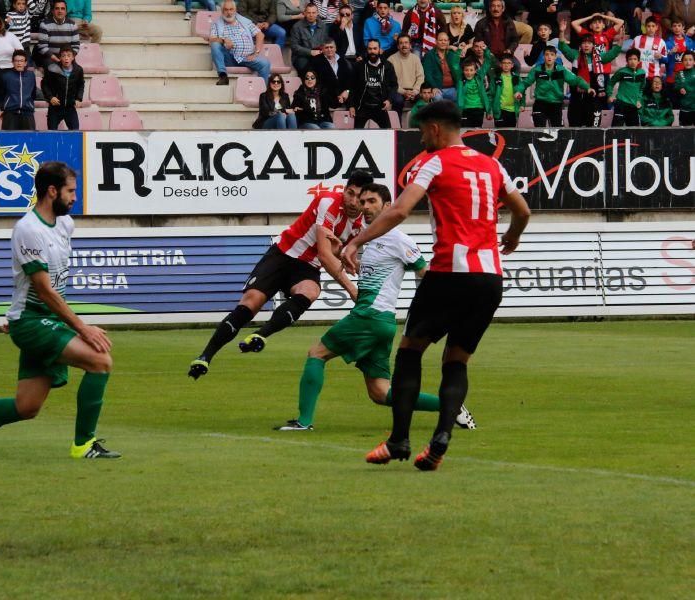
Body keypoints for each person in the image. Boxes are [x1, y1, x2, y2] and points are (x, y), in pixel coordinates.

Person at [342, 100, 531, 471]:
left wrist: (356, 241)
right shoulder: (492, 165)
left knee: (410, 351)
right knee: (456, 361)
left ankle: (398, 440)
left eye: (420, 132)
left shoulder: (436, 162)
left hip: (448, 273)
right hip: (490, 278)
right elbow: (522, 210)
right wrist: (512, 235)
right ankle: (441, 438)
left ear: (434, 129)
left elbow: (397, 210)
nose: (420, 139)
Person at [0, 162, 122, 460]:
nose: (75, 198)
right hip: (34, 322)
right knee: (100, 361)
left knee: (27, 406)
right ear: (52, 191)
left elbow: (44, 286)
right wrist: (82, 327)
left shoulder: (64, 224)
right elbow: (44, 290)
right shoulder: (28, 230)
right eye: (71, 191)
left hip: (39, 318)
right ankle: (84, 444)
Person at [275, 183, 477, 432]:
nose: (365, 207)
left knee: (316, 354)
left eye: (372, 202)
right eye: (363, 203)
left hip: (370, 316)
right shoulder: (370, 238)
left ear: (388, 206)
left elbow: (425, 272)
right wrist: (341, 254)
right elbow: (372, 274)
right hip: (381, 321)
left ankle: (303, 422)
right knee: (380, 393)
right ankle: (452, 405)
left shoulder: (398, 238)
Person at [188, 170, 375, 380]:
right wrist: (352, 289)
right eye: (349, 193)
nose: (352, 201)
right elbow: (324, 254)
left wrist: (351, 262)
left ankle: (260, 335)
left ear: (366, 199)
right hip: (283, 254)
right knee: (251, 303)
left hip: (306, 266)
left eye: (358, 197)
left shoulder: (362, 225)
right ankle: (205, 357)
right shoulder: (328, 202)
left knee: (311, 291)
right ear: (344, 189)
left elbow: (337, 252)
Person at [515, 46, 594, 127]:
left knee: (557, 132)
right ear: (543, 56)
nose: (549, 57)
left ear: (555, 57)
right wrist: (519, 91)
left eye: (552, 55)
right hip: (540, 104)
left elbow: (576, 79)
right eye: (547, 54)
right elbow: (525, 83)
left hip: (556, 105)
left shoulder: (562, 70)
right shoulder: (536, 70)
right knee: (539, 132)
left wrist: (587, 87)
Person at [559, 30, 621, 127]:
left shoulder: (600, 56)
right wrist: (562, 32)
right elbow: (563, 46)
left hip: (593, 97)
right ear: (580, 45)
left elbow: (612, 54)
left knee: (593, 130)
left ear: (593, 45)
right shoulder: (575, 55)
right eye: (584, 43)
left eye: (589, 43)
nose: (586, 45)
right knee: (574, 128)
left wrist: (620, 42)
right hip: (576, 98)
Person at [210, 0, 272, 85]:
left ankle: (262, 92)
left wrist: (256, 53)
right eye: (226, 9)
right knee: (215, 45)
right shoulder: (217, 24)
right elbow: (212, 39)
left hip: (247, 58)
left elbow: (260, 35)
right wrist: (223, 40)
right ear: (222, 11)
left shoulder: (245, 22)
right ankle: (223, 75)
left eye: (231, 9)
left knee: (265, 63)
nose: (229, 12)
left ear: (235, 10)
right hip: (230, 58)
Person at [349, 38, 396, 128]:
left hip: (380, 107)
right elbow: (351, 87)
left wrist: (389, 100)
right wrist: (351, 106)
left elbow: (394, 85)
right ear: (367, 50)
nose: (372, 51)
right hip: (362, 107)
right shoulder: (359, 66)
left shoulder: (387, 66)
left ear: (379, 50)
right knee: (357, 135)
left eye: (375, 48)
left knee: (387, 133)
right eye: (370, 49)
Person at [41, 45, 85, 130]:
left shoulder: (78, 70)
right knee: (52, 133)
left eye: (69, 55)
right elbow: (44, 84)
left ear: (73, 57)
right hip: (55, 107)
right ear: (60, 57)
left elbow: (81, 84)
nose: (66, 58)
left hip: (70, 107)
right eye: (63, 55)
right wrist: (50, 97)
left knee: (75, 132)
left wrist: (79, 98)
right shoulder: (52, 68)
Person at [607, 48, 647, 126]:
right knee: (616, 130)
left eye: (635, 59)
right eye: (630, 59)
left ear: (638, 61)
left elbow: (641, 89)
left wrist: (638, 100)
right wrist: (610, 95)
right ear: (627, 61)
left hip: (633, 106)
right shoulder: (622, 72)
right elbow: (611, 83)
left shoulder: (642, 73)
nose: (632, 61)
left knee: (633, 132)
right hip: (620, 104)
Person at [0, 49, 37, 130]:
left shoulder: (31, 76)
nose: (19, 63)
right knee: (9, 141)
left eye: (21, 61)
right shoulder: (6, 76)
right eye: (16, 61)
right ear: (12, 62)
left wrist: (29, 104)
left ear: (25, 63)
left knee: (28, 140)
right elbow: (2, 94)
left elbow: (33, 93)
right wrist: (5, 107)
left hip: (27, 113)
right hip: (10, 114)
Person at [36, 0, 81, 68]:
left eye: (62, 9)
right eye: (57, 8)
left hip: (67, 57)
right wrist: (58, 60)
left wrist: (68, 58)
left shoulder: (72, 25)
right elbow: (42, 47)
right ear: (52, 11)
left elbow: (76, 46)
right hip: (50, 57)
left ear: (66, 12)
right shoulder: (45, 24)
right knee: (54, 69)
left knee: (78, 70)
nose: (60, 11)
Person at [291, 2, 330, 75]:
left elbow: (325, 42)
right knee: (305, 68)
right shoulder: (297, 27)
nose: (311, 15)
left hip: (318, 55)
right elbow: (294, 46)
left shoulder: (323, 26)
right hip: (301, 56)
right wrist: (310, 52)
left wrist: (322, 51)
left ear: (317, 13)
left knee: (325, 67)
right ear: (305, 13)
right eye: (309, 13)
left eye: (313, 12)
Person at [312, 39, 352, 109]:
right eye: (326, 47)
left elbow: (349, 79)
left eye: (331, 47)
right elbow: (318, 82)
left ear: (335, 48)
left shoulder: (342, 60)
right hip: (327, 95)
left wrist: (347, 91)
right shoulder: (316, 61)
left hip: (344, 93)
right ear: (322, 49)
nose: (329, 49)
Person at [388, 33, 425, 109]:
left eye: (406, 43)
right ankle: (397, 121)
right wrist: (403, 92)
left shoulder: (416, 58)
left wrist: (415, 91)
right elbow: (390, 82)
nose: (404, 45)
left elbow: (420, 77)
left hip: (413, 90)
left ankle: (417, 121)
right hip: (398, 90)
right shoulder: (391, 60)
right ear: (398, 46)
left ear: (410, 45)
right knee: (398, 100)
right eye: (401, 43)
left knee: (422, 100)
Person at [422, 31, 459, 101]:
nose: (443, 42)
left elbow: (457, 72)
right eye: (440, 40)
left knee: (461, 96)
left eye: (445, 40)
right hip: (438, 88)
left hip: (452, 88)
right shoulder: (429, 55)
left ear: (448, 42)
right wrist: (433, 87)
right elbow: (428, 74)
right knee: (437, 98)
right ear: (436, 41)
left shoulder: (452, 54)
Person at [489, 52, 522, 127]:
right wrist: (489, 110)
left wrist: (522, 104)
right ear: (500, 65)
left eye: (509, 63)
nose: (506, 65)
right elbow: (491, 95)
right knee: (500, 135)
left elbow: (522, 91)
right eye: (504, 63)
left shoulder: (517, 78)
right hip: (500, 110)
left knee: (511, 135)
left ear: (512, 65)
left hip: (513, 111)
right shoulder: (495, 79)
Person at [456, 58, 490, 127]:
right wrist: (459, 51)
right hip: (465, 109)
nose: (469, 73)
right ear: (463, 71)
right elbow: (454, 65)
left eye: (471, 70)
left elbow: (487, 64)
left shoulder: (479, 78)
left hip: (479, 109)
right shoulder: (461, 80)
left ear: (475, 71)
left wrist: (486, 50)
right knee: (465, 131)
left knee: (477, 132)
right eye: (466, 70)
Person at [665, 19, 695, 94]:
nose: (677, 28)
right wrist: (671, 52)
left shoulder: (690, 42)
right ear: (671, 28)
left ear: (683, 27)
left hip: (686, 77)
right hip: (672, 77)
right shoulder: (667, 43)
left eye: (679, 26)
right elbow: (664, 60)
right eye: (674, 26)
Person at [676, 51, 695, 125]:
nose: (688, 62)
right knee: (684, 135)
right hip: (685, 109)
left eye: (690, 59)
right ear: (682, 62)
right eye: (685, 60)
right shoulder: (679, 73)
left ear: (694, 62)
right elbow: (676, 85)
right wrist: (680, 88)